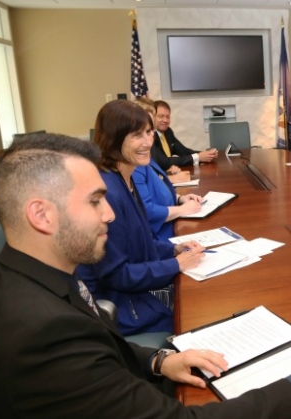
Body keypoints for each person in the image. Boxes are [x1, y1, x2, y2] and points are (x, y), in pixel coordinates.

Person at [0, 133, 291, 418]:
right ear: (42, 215)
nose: (109, 215)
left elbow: (98, 348)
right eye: (95, 201)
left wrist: (159, 361)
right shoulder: (41, 332)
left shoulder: (32, 278)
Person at [75, 100, 204, 336]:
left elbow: (140, 242)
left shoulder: (126, 178)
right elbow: (116, 275)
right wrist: (176, 264)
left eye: (149, 132)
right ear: (114, 139)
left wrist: (174, 249)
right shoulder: (107, 193)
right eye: (136, 135)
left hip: (135, 292)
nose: (147, 142)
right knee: (198, 317)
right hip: (119, 306)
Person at [133, 98, 203, 240]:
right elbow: (147, 212)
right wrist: (181, 210)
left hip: (171, 225)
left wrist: (180, 198)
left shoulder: (146, 159)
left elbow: (156, 191)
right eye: (143, 132)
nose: (150, 138)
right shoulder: (134, 165)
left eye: (151, 130)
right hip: (160, 236)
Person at [152, 100, 218, 170]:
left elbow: (184, 151)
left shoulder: (168, 132)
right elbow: (165, 162)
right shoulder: (151, 136)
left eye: (168, 117)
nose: (165, 120)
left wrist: (206, 154)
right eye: (161, 116)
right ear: (152, 117)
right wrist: (198, 157)